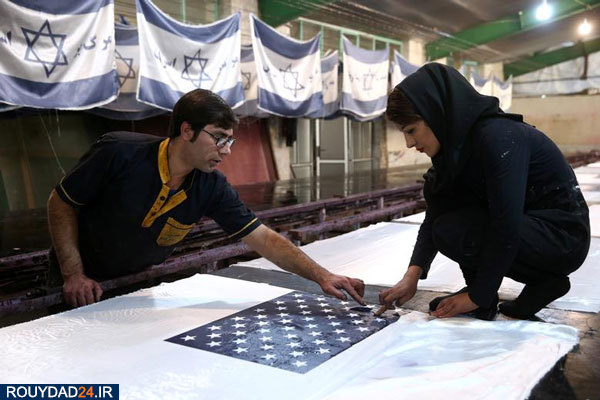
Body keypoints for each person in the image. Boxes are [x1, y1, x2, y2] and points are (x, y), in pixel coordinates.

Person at [47, 89, 365, 308]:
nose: (226, 151)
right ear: (187, 131)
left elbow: (263, 239)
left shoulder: (210, 186)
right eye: (219, 138)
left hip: (135, 284)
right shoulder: (119, 154)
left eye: (230, 141)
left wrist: (323, 277)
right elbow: (61, 203)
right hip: (79, 284)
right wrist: (73, 274)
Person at [377, 63, 590, 320]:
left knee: (456, 227)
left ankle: (483, 295)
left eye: (411, 130)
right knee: (446, 225)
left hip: (563, 238)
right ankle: (540, 284)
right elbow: (435, 214)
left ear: (436, 113)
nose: (409, 143)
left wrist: (476, 296)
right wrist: (411, 276)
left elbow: (506, 222)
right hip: (528, 232)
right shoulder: (454, 155)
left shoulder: (498, 137)